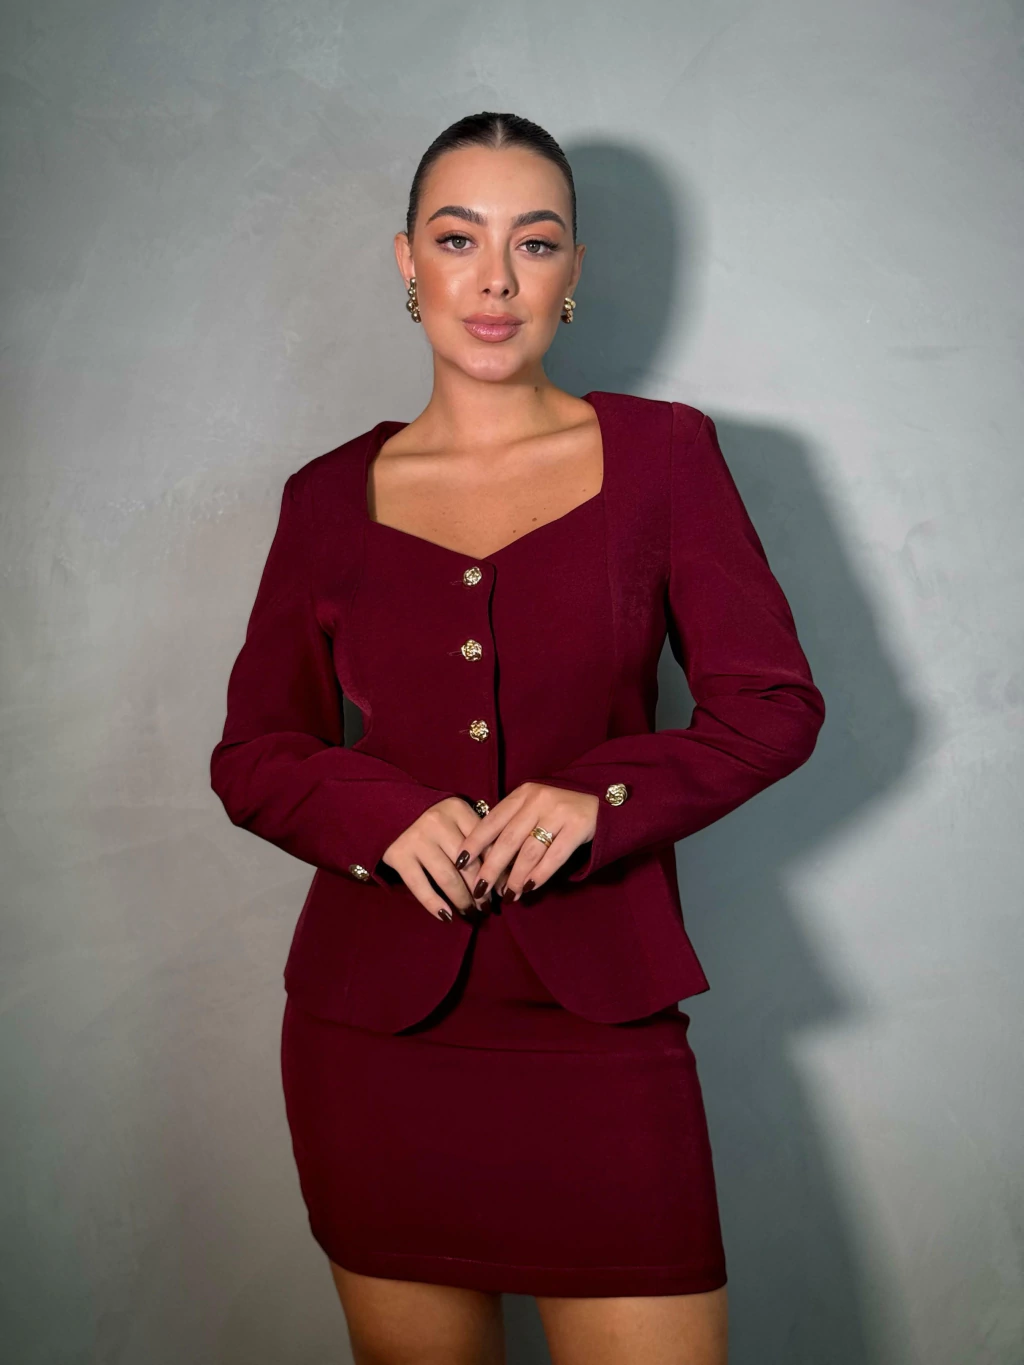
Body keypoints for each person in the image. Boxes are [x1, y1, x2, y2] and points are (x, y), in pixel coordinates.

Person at [210, 110, 826, 1365]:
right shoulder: (324, 499)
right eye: (458, 239)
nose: (494, 279)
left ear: (571, 272)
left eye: (533, 243)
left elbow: (771, 703)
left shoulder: (663, 457)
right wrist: (378, 816)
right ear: (407, 261)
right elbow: (256, 751)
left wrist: (603, 799)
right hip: (373, 1043)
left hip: (599, 1026)